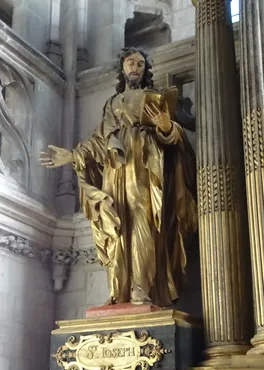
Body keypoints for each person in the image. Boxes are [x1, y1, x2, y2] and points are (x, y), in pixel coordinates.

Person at [40, 47, 197, 307]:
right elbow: (100, 140)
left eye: (140, 63)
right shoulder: (112, 103)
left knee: (143, 224)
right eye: (129, 62)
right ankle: (118, 291)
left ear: (146, 70)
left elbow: (176, 139)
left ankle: (141, 289)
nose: (134, 67)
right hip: (115, 170)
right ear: (122, 68)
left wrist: (166, 127)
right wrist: (71, 156)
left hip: (146, 169)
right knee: (116, 225)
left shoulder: (153, 97)